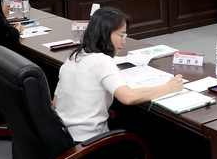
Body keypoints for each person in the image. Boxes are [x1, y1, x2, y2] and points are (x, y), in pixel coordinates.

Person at [53, 7, 183, 142]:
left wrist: (98, 110)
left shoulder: (73, 58)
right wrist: (169, 87)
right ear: (106, 33)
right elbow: (128, 97)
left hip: (63, 139)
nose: (124, 41)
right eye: (121, 35)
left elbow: (56, 103)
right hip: (90, 143)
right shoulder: (103, 61)